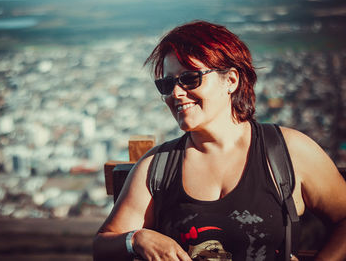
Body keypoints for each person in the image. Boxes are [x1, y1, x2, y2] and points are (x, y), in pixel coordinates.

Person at [93, 20, 346, 260]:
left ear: (231, 80)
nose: (177, 93)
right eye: (167, 84)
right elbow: (103, 245)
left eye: (190, 78)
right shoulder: (157, 168)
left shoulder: (287, 152)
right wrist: (136, 239)